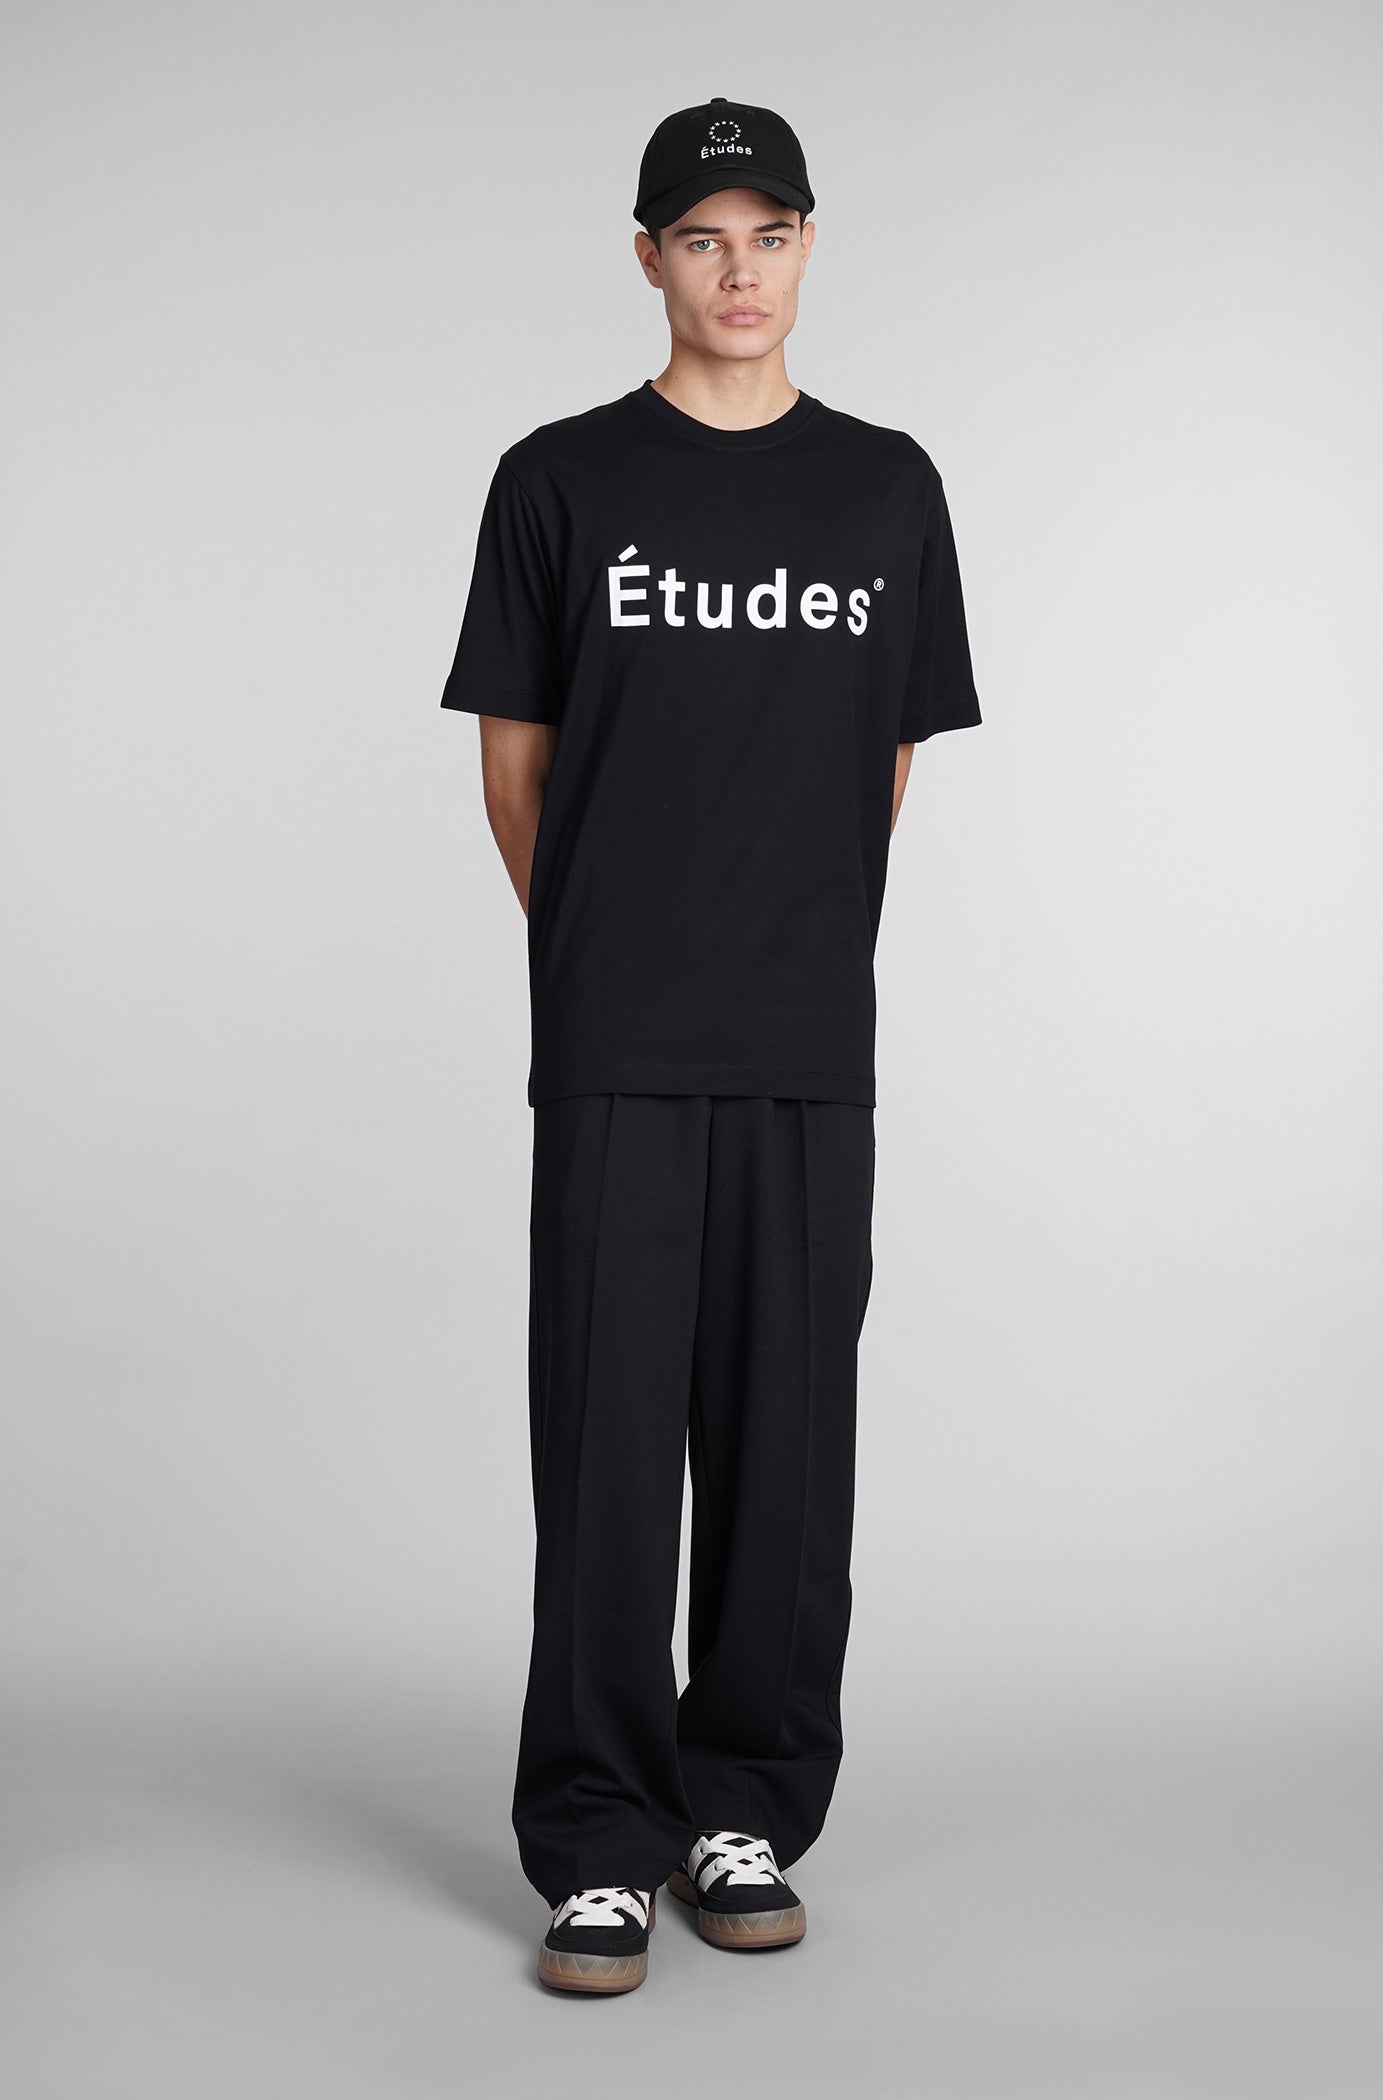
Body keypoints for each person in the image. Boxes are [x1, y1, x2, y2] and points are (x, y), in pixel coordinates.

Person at [439, 94, 982, 1995]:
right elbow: (516, 773)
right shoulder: (557, 481)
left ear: (810, 247)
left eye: (768, 234)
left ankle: (741, 1803)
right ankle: (600, 1839)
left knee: (785, 1449)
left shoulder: (887, 490)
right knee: (603, 1449)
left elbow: (882, 766)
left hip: (806, 1039)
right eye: (700, 237)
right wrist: (615, 949)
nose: (737, 271)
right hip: (614, 1037)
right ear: (649, 257)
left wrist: (779, 938)